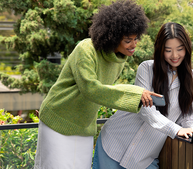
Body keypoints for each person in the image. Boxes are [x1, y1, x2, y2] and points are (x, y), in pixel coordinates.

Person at [34, 0, 161, 168]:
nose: (134, 45)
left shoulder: (119, 59)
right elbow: (90, 88)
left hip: (84, 125)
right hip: (58, 119)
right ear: (113, 37)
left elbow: (105, 92)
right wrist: (136, 94)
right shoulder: (86, 49)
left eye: (136, 38)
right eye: (128, 40)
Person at [92, 22, 193, 169]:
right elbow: (146, 110)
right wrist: (176, 129)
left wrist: (189, 132)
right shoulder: (146, 68)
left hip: (144, 158)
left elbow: (189, 117)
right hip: (114, 143)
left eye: (180, 49)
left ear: (187, 49)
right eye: (168, 50)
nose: (175, 56)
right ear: (160, 49)